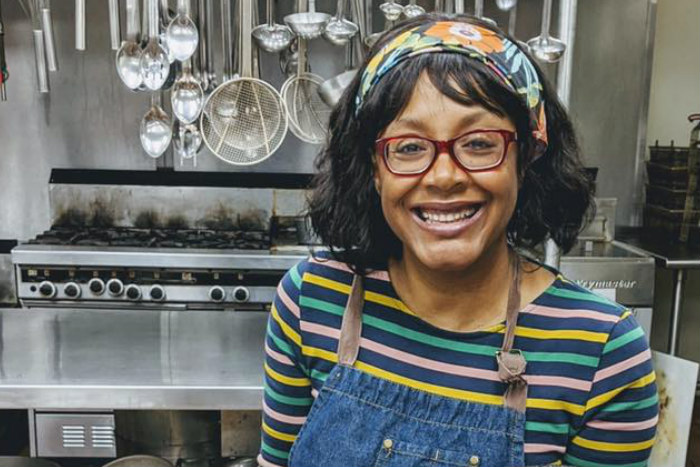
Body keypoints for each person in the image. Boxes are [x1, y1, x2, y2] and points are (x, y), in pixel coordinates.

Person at [258, 13, 658, 467]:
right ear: (373, 168)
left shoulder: (600, 350)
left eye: (480, 143)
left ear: (526, 158)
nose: (444, 176)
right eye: (408, 147)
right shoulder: (311, 301)